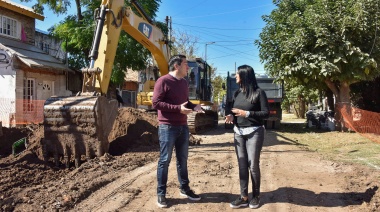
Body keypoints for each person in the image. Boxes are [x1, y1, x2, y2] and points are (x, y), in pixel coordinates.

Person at [152, 54, 204, 208]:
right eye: (185, 64)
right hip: (167, 127)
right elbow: (156, 103)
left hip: (182, 126)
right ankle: (161, 194)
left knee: (183, 160)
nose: (188, 67)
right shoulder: (163, 81)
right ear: (177, 66)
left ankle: (185, 189)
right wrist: (178, 109)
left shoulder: (183, 83)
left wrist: (194, 106)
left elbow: (185, 102)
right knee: (165, 160)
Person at [225, 65, 269, 209]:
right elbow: (232, 110)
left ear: (244, 76)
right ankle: (244, 197)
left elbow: (266, 113)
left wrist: (247, 114)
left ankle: (256, 196)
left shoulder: (259, 93)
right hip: (238, 132)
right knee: (242, 165)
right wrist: (231, 116)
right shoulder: (237, 93)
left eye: (237, 74)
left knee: (253, 164)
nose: (235, 76)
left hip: (254, 132)